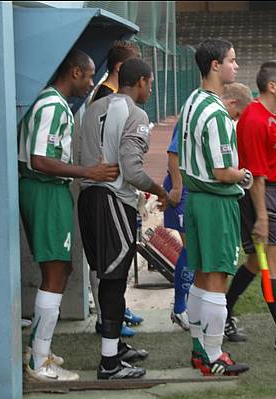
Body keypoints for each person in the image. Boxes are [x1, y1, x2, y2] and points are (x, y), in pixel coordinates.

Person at [19, 49, 119, 382]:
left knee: (62, 268)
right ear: (75, 72)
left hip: (51, 190)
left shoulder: (54, 103)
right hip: (45, 189)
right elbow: (40, 160)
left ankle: (41, 349)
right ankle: (38, 359)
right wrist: (88, 172)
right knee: (55, 270)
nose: (92, 83)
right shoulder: (52, 105)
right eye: (90, 76)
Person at [78, 58, 170, 380]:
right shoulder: (136, 113)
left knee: (108, 277)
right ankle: (109, 363)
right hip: (112, 200)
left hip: (88, 198)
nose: (151, 89)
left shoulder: (93, 107)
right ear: (142, 81)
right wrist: (160, 190)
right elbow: (131, 170)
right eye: (151, 83)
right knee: (115, 280)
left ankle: (114, 349)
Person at [222, 60, 276, 356]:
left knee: (254, 261)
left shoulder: (272, 116)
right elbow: (256, 177)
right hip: (257, 194)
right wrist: (262, 216)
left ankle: (223, 312)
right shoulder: (256, 119)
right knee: (272, 262)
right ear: (272, 86)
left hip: (265, 192)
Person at [179, 38, 252, 376]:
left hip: (195, 200)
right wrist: (245, 175)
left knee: (202, 277)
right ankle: (213, 354)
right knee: (218, 278)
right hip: (215, 202)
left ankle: (199, 349)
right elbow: (223, 172)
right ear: (215, 65)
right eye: (232, 61)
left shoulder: (193, 101)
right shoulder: (217, 112)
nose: (235, 66)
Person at [164, 83, 253, 331]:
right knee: (206, 265)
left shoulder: (197, 106)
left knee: (199, 262)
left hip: (194, 194)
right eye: (231, 60)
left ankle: (198, 336)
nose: (235, 120)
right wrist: (177, 188)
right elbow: (177, 154)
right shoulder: (211, 115)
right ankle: (193, 323)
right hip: (194, 194)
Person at [88, 40, 144, 337]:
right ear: (122, 69)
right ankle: (107, 316)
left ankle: (114, 310)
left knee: (113, 264)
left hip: (108, 189)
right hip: (108, 191)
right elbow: (120, 156)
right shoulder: (108, 98)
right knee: (109, 263)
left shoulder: (112, 99)